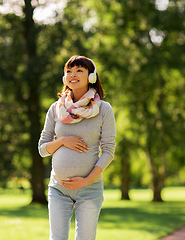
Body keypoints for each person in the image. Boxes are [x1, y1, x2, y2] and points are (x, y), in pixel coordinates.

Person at [38, 55, 116, 240]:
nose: (73, 74)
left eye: (79, 70)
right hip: (58, 188)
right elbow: (42, 149)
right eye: (69, 71)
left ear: (91, 77)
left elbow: (108, 151)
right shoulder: (56, 109)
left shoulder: (104, 110)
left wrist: (86, 180)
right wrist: (62, 141)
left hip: (90, 188)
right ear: (65, 78)